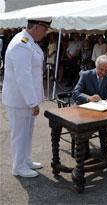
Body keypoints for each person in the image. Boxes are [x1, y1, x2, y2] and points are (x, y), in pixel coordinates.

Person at [2, 18, 51, 178]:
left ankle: (25, 159)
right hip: (20, 100)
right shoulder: (21, 44)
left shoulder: (29, 42)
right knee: (20, 134)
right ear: (36, 27)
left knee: (27, 132)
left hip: (27, 99)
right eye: (44, 30)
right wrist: (32, 102)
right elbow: (23, 77)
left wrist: (34, 100)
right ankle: (18, 166)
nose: (45, 34)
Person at [72, 54, 107, 157]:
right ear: (96, 66)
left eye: (106, 70)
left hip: (100, 110)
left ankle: (104, 147)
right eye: (101, 70)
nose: (104, 73)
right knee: (85, 128)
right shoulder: (86, 75)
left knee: (104, 123)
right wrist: (88, 97)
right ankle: (84, 148)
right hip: (83, 110)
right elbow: (75, 93)